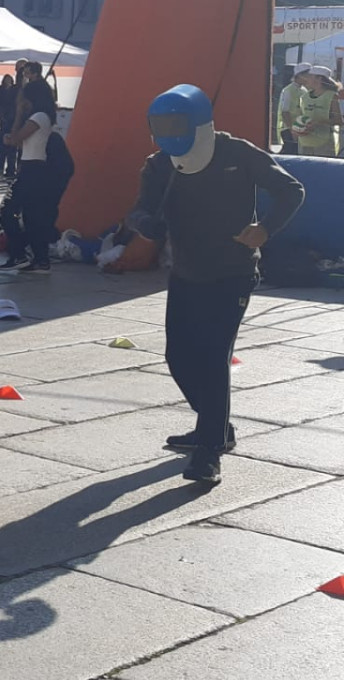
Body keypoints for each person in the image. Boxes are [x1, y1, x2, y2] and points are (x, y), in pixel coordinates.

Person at [129, 85, 305, 485]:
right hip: (186, 272)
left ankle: (209, 452)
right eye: (161, 126)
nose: (169, 133)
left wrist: (265, 229)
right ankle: (217, 424)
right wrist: (145, 225)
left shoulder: (237, 153)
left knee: (212, 358)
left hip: (233, 272)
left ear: (200, 123)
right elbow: (137, 210)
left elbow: (292, 190)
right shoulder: (159, 165)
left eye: (177, 124)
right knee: (178, 357)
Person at [0, 78, 64, 274]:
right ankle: (39, 258)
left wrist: (18, 113)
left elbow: (15, 139)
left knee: (7, 210)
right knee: (32, 216)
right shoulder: (42, 116)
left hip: (33, 169)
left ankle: (19, 253)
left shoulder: (38, 117)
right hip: (32, 168)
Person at [297, 66, 340, 157]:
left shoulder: (332, 96)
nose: (306, 79)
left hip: (324, 144)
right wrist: (298, 127)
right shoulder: (304, 97)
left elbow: (339, 121)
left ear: (319, 78)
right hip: (304, 143)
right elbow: (301, 118)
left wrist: (318, 122)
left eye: (309, 76)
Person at [0, 73, 19, 175]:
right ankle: (2, 167)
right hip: (6, 117)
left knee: (7, 144)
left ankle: (8, 167)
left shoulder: (14, 90)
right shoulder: (2, 90)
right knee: (3, 142)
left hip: (10, 118)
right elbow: (0, 103)